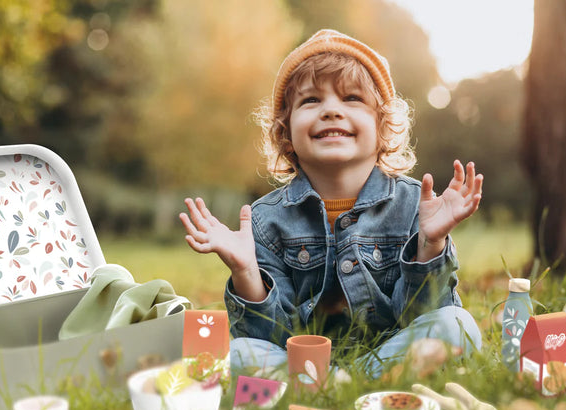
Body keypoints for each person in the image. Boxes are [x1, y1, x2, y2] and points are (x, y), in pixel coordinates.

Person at [179, 29, 483, 377]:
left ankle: (343, 384)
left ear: (382, 127)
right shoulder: (265, 221)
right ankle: (329, 383)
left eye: (351, 98)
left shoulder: (415, 205)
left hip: (389, 357)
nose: (331, 111)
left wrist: (431, 244)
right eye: (311, 101)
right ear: (286, 133)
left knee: (457, 325)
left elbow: (421, 317)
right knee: (238, 353)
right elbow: (270, 338)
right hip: (300, 365)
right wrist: (246, 272)